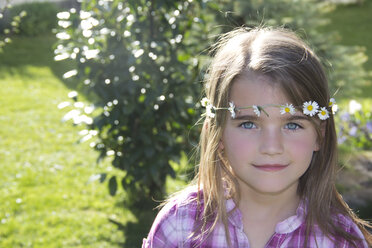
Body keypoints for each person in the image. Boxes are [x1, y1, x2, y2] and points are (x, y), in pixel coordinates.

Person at [142, 27, 372, 247]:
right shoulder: (180, 226)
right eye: (249, 123)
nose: (271, 147)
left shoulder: (340, 241)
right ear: (218, 133)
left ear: (319, 135)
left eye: (292, 125)